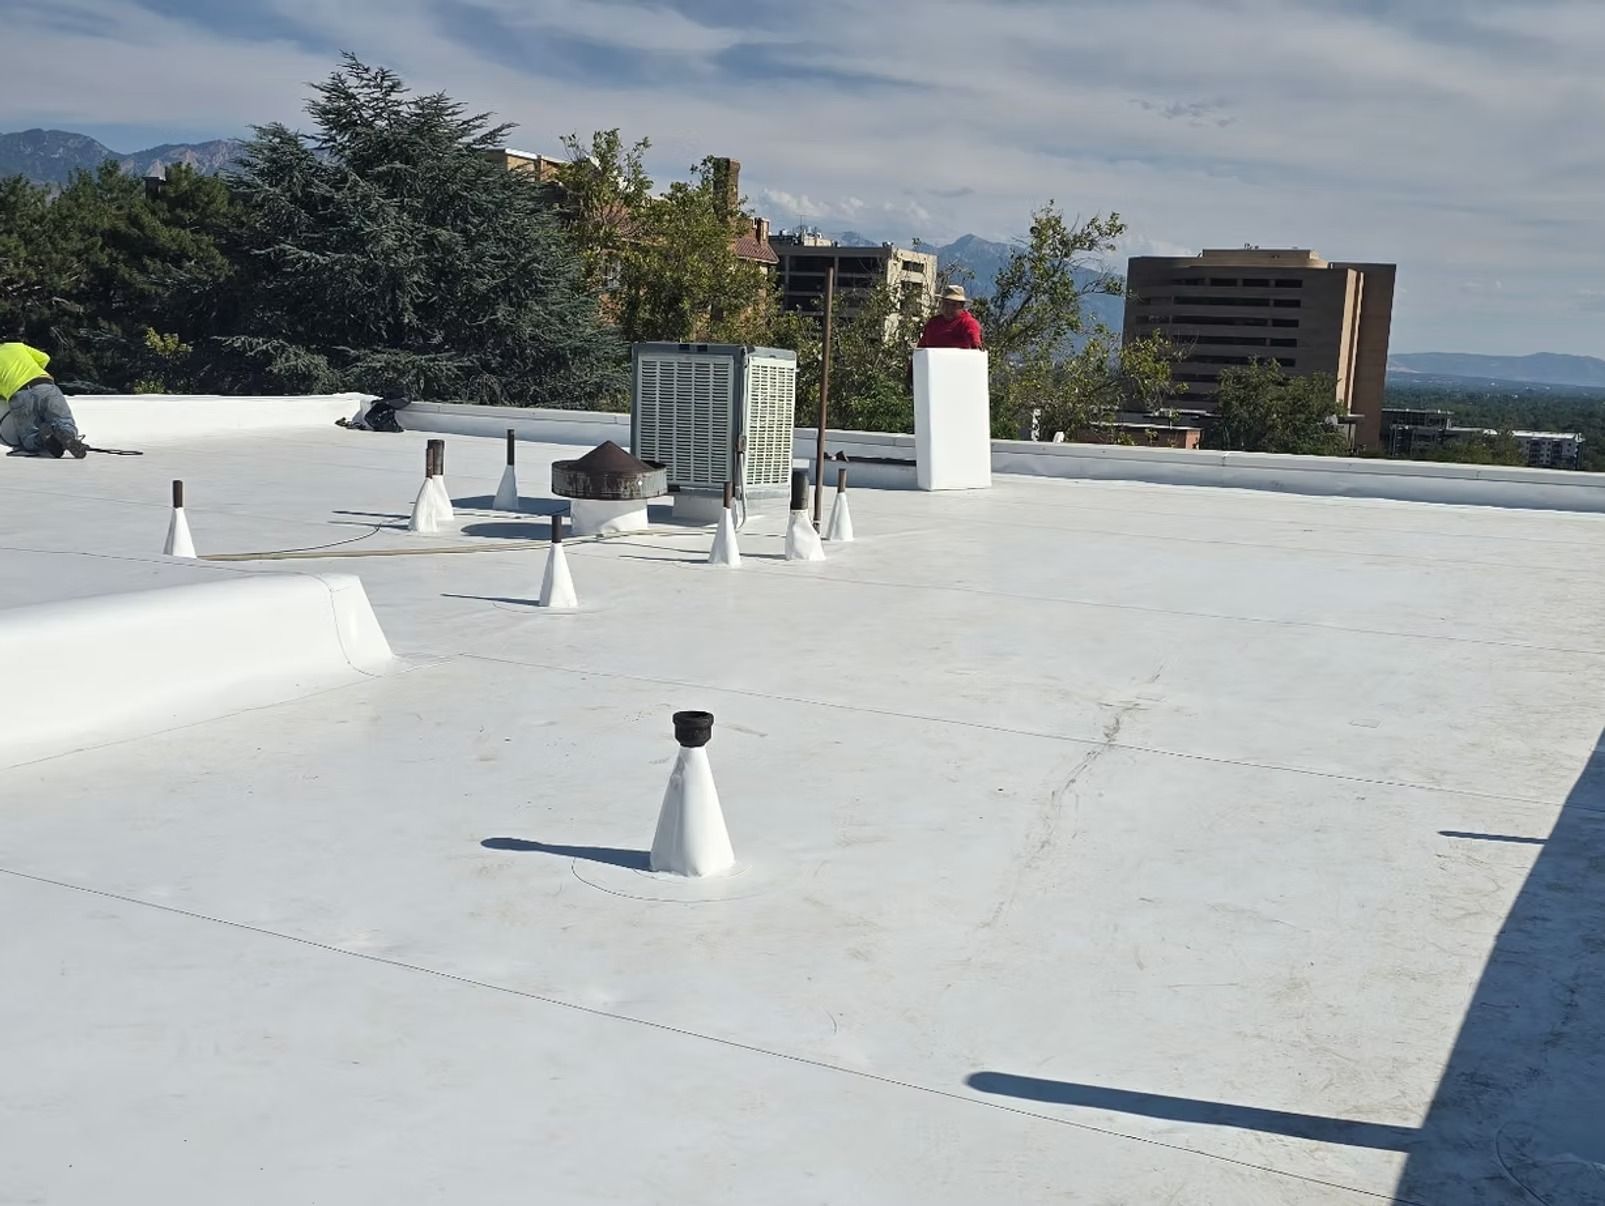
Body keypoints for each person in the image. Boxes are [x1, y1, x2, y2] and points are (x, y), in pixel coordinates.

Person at [0, 339, 87, 458]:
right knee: (64, 421)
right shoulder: (16, 346)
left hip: (19, 394)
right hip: (44, 385)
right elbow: (45, 358)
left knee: (29, 438)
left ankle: (43, 438)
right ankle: (67, 436)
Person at [918, 285, 984, 350]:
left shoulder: (968, 323)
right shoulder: (933, 322)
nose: (949, 308)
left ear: (962, 306)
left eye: (954, 305)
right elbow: (921, 347)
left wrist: (976, 346)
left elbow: (974, 340)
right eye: (946, 303)